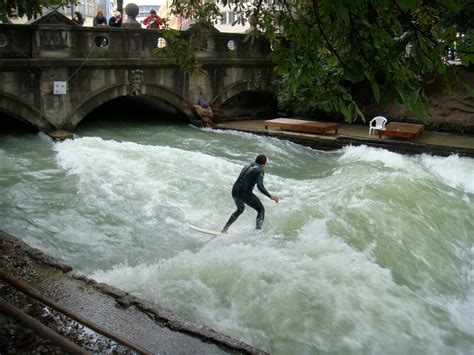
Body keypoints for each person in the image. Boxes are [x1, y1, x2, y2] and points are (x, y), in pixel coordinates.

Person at [221, 154, 279, 233]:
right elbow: (260, 186)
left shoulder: (247, 166)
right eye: (266, 164)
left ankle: (225, 228)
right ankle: (257, 233)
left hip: (234, 191)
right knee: (261, 210)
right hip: (244, 193)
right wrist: (270, 196)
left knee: (240, 209)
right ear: (263, 164)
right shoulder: (260, 170)